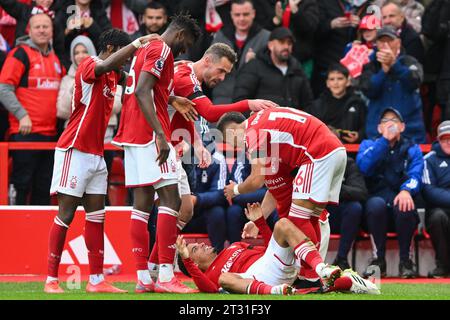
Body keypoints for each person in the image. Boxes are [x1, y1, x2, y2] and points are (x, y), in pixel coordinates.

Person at [45, 29, 158, 294]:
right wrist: (136, 43)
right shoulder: (91, 64)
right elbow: (107, 64)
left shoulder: (113, 74)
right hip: (73, 149)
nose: (125, 63)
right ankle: (51, 279)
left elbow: (138, 85)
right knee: (66, 215)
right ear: (110, 47)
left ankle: (96, 280)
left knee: (97, 216)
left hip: (96, 154)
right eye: (123, 55)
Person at [112, 14, 202, 294]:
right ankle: (165, 275)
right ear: (179, 34)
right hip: (151, 133)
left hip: (130, 133)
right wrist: (162, 135)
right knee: (170, 199)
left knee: (141, 205)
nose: (184, 51)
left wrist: (171, 98)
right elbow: (142, 90)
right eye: (186, 43)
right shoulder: (162, 49)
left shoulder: (144, 49)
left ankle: (143, 278)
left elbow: (137, 84)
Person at [221, 108, 347, 284]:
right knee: (311, 217)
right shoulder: (265, 127)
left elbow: (256, 180)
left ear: (232, 130)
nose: (237, 148)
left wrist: (235, 190)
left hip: (317, 153)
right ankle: (311, 275)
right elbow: (274, 185)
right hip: (335, 150)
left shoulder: (252, 132)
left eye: (232, 142)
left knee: (298, 220)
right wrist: (260, 219)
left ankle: (310, 277)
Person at [176, 202, 380, 295]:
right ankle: (281, 291)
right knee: (225, 279)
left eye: (197, 245)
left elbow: (269, 249)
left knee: (283, 224)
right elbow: (207, 288)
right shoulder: (209, 277)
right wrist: (185, 258)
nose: (202, 244)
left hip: (271, 267)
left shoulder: (235, 246)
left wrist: (261, 223)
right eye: (195, 250)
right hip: (255, 280)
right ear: (194, 265)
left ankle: (321, 269)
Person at [0, 13, 65, 205]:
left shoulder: (55, 58)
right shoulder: (20, 54)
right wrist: (22, 116)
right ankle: (17, 231)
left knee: (44, 188)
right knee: (22, 186)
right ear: (29, 30)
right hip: (25, 133)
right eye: (37, 27)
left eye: (46, 26)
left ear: (52, 31)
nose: (42, 30)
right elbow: (3, 88)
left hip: (50, 136)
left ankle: (40, 234)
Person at [357, 107, 423, 278]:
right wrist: (384, 141)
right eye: (386, 121)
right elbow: (364, 167)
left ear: (402, 127)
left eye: (394, 121)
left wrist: (406, 190)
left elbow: (416, 175)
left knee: (405, 204)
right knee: (375, 204)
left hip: (399, 206)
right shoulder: (369, 145)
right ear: (379, 128)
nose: (390, 124)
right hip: (375, 207)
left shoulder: (412, 148)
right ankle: (378, 260)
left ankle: (405, 262)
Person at [359, 26, 426, 143]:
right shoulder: (370, 66)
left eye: (389, 40)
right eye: (381, 41)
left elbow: (414, 82)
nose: (386, 45)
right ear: (376, 44)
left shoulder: (410, 61)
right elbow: (369, 90)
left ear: (398, 42)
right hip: (377, 134)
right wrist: (383, 71)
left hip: (410, 134)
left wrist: (394, 65)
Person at [233, 27, 314, 111]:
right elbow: (241, 101)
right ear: (270, 45)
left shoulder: (297, 69)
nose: (286, 46)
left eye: (289, 43)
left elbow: (308, 103)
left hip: (292, 122)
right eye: (281, 42)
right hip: (262, 122)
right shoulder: (254, 67)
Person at [211, 0, 270, 104]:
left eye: (246, 14)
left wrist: (254, 64)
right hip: (222, 97)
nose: (241, 18)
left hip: (253, 99)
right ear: (231, 15)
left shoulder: (266, 37)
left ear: (253, 14)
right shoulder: (220, 36)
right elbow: (211, 67)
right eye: (237, 15)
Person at [311, 0, 372, 96]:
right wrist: (331, 24)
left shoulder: (366, 6)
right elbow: (311, 32)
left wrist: (360, 25)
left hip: (352, 68)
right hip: (326, 65)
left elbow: (371, 35)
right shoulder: (323, 3)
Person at [182, 149, 229, 253]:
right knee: (164, 209)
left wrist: (196, 199)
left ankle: (218, 254)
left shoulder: (217, 158)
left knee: (217, 212)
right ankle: (160, 258)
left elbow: (221, 193)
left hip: (202, 212)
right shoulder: (177, 153)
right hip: (180, 209)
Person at [308, 64, 367, 144]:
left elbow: (366, 126)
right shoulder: (318, 104)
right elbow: (311, 129)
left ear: (348, 82)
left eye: (340, 78)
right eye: (332, 79)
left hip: (351, 150)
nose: (336, 83)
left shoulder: (358, 103)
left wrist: (359, 136)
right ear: (327, 83)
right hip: (325, 148)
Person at [329, 156, 368, 270]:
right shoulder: (310, 161)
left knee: (354, 208)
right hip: (314, 211)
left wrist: (333, 189)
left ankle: (341, 259)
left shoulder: (347, 163)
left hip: (336, 215)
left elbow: (361, 192)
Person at [422, 121, 450, 278]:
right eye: (444, 138)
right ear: (438, 140)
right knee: (438, 217)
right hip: (438, 210)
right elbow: (429, 191)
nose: (448, 142)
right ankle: (442, 265)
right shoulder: (429, 160)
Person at [381, 0, 425, 64]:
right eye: (384, 17)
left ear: (401, 17)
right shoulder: (380, 37)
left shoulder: (412, 39)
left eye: (391, 16)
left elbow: (413, 70)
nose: (387, 21)